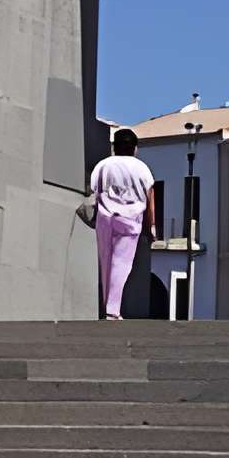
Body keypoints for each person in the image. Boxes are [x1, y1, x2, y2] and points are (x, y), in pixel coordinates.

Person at [89, 128, 158, 321]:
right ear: (135, 148)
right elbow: (150, 197)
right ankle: (112, 310)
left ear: (114, 147)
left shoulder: (103, 165)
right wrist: (151, 227)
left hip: (105, 218)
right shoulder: (142, 168)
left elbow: (93, 189)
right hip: (130, 220)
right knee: (121, 264)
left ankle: (106, 307)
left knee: (106, 263)